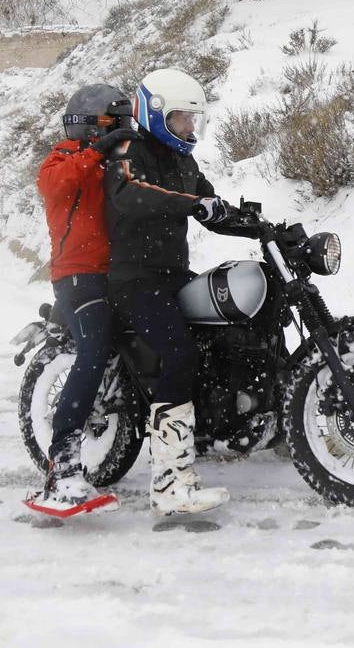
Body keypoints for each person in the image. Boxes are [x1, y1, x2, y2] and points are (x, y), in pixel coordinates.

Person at [105, 68, 233, 516]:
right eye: (182, 118)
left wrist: (260, 226)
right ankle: (168, 482)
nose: (190, 127)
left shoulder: (184, 161)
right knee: (177, 353)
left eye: (193, 119)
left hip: (171, 273)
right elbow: (130, 193)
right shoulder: (127, 150)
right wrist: (191, 203)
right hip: (132, 279)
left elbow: (210, 207)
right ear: (157, 114)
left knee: (223, 334)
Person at [24, 84, 138, 518]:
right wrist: (99, 151)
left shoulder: (115, 162)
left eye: (124, 124)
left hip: (119, 274)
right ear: (89, 125)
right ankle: (63, 462)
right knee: (94, 350)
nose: (121, 132)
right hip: (78, 278)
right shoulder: (62, 160)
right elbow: (55, 185)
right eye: (113, 124)